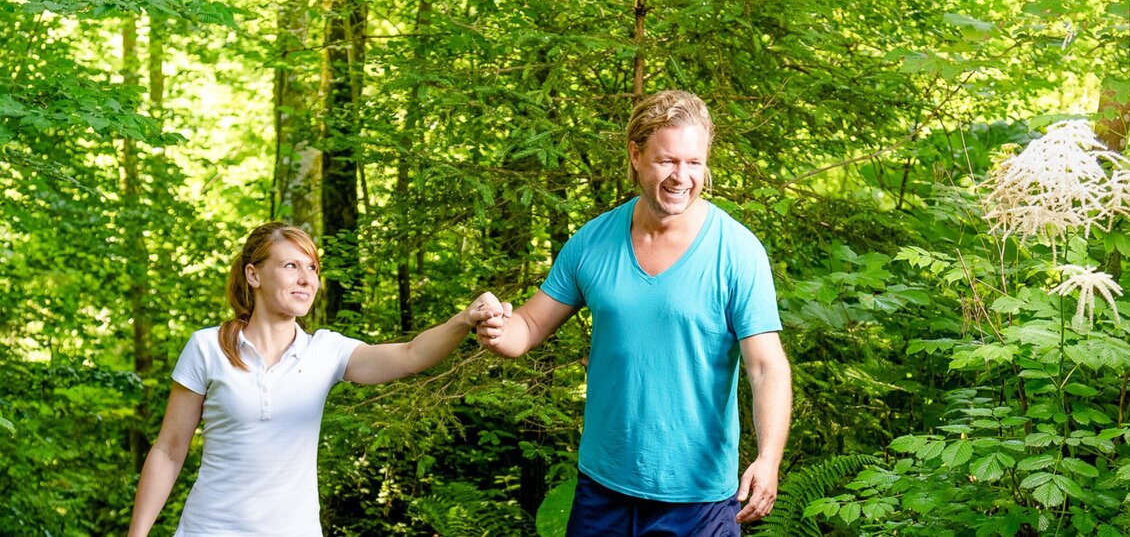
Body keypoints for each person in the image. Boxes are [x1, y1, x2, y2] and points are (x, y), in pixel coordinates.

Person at [475, 90, 792, 535]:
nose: (682, 176)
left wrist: (768, 458)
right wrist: (495, 328)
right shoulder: (592, 242)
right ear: (636, 155)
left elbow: (766, 366)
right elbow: (526, 326)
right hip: (602, 491)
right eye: (667, 160)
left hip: (698, 500)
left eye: (694, 162)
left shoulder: (737, 251)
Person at [128, 222, 504, 537]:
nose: (306, 279)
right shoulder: (207, 347)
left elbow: (411, 356)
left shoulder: (326, 351)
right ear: (253, 274)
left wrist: (464, 319)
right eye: (291, 265)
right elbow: (169, 450)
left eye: (312, 268)